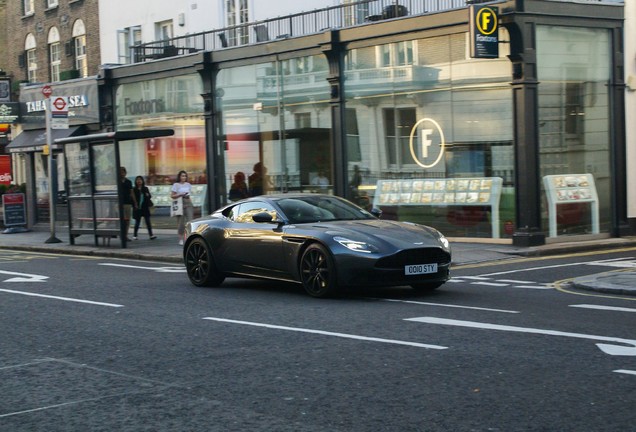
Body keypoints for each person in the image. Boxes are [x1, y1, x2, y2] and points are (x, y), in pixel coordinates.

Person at [171, 170, 194, 245]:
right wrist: (180, 194)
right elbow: (172, 196)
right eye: (182, 176)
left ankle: (188, 237)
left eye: (185, 176)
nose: (183, 177)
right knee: (181, 222)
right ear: (179, 177)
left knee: (190, 221)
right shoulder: (176, 185)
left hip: (188, 202)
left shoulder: (188, 184)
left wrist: (191, 203)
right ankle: (180, 238)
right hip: (180, 203)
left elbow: (189, 195)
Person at [132, 176, 157, 240]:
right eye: (137, 180)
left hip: (145, 207)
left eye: (140, 180)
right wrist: (135, 205)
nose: (139, 181)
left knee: (148, 221)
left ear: (142, 181)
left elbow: (149, 196)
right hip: (138, 207)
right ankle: (135, 235)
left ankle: (151, 235)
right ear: (136, 181)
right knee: (137, 222)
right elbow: (132, 198)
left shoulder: (145, 188)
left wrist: (147, 195)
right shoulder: (134, 189)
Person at [119, 167, 135, 241]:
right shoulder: (117, 181)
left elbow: (131, 192)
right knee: (121, 219)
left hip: (127, 202)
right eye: (120, 172)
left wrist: (135, 202)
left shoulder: (128, 182)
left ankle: (125, 235)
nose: (122, 174)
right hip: (119, 203)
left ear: (125, 173)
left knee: (127, 220)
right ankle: (121, 234)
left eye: (123, 172)